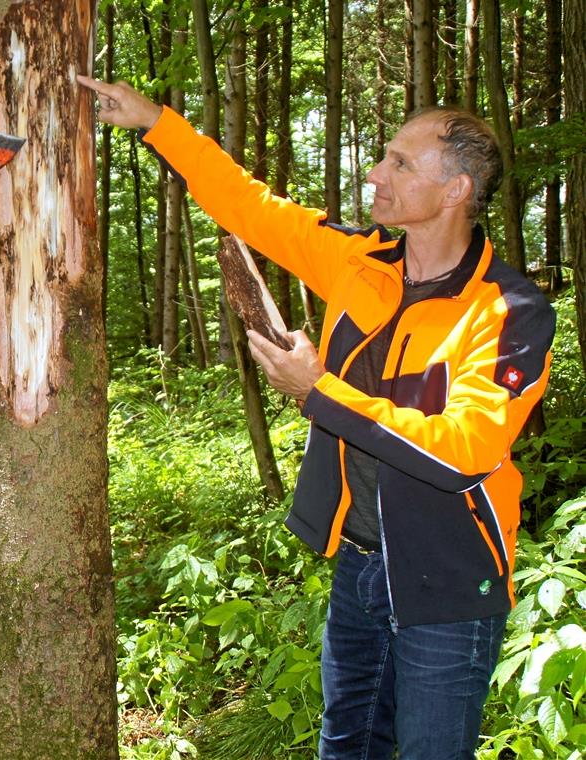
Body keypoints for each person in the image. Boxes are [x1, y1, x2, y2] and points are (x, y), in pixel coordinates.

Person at [78, 75, 555, 758]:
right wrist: (156, 122)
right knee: (347, 744)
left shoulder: (510, 310)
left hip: (450, 581)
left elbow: (465, 449)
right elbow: (251, 207)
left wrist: (318, 390)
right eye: (382, 155)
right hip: (360, 566)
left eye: (400, 163)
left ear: (455, 191)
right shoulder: (358, 261)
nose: (375, 173)